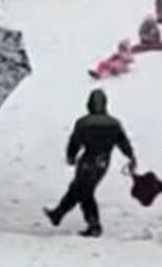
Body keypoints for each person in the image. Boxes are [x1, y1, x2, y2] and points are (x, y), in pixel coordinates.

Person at [44, 89, 136, 238]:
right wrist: (131, 156)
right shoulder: (114, 124)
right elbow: (123, 142)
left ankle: (94, 225)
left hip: (87, 161)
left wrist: (71, 156)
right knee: (79, 188)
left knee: (85, 192)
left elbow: (74, 142)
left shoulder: (83, 123)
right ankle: (57, 214)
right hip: (103, 163)